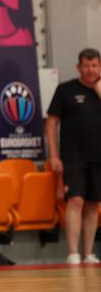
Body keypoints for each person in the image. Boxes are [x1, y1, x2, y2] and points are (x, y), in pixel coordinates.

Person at [46, 47, 101, 264]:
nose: (90, 70)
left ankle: (88, 253)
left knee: (93, 204)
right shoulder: (66, 90)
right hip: (73, 156)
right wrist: (54, 155)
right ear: (79, 67)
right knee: (76, 200)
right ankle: (73, 253)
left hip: (99, 157)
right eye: (86, 66)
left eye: (94, 65)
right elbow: (51, 123)